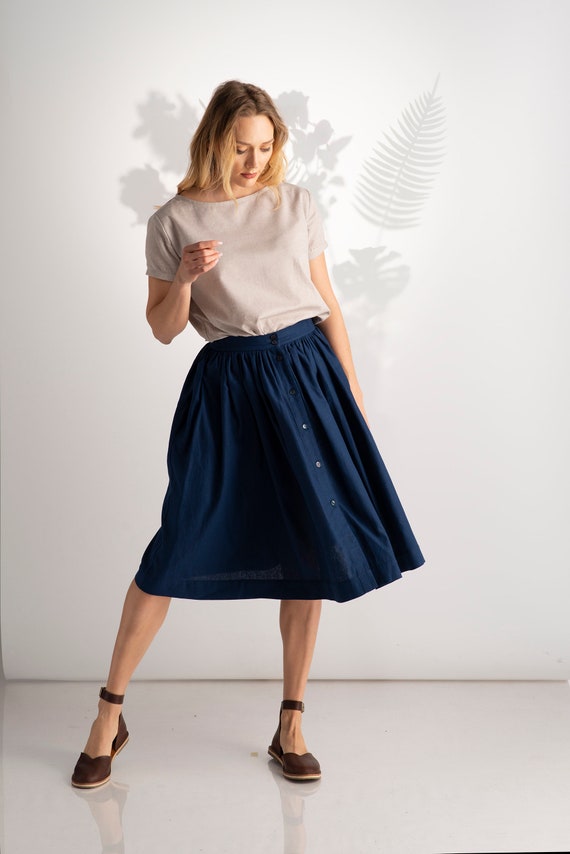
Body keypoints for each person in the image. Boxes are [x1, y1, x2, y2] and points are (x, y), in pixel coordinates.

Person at [71, 80, 424, 790]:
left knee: (313, 539)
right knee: (177, 541)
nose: (255, 162)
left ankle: (291, 723)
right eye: (241, 149)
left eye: (265, 147)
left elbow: (328, 304)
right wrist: (184, 278)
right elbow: (163, 328)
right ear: (213, 142)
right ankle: (109, 714)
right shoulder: (173, 220)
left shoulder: (295, 204)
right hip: (229, 386)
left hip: (308, 376)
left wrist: (352, 396)